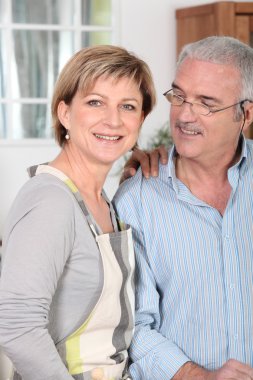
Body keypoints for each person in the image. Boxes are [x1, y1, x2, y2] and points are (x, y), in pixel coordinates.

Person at [0, 45, 156, 380]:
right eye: (95, 102)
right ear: (65, 112)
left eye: (127, 106)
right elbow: (16, 324)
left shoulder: (102, 201)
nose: (112, 120)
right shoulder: (50, 201)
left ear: (140, 120)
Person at [113, 36, 253, 380]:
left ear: (245, 114)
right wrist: (199, 376)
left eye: (206, 103)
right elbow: (132, 325)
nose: (184, 115)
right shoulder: (136, 201)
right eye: (179, 96)